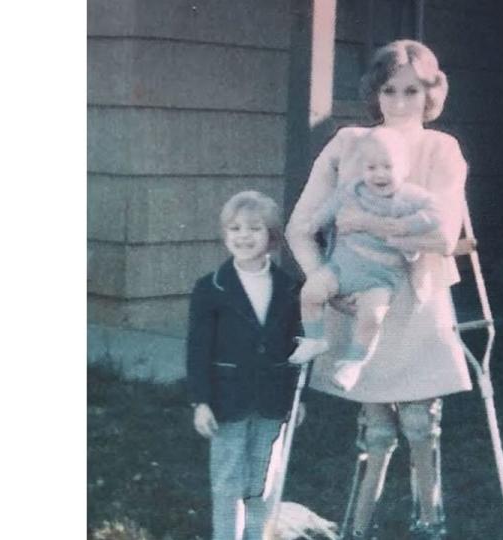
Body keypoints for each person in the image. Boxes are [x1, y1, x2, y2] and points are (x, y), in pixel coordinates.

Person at [285, 40, 472, 539]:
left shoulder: (441, 149)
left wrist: (368, 221)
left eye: (412, 90)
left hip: (418, 297)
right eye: (389, 89)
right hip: (359, 295)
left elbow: (442, 232)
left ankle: (430, 525)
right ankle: (356, 528)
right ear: (375, 91)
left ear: (430, 93)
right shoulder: (349, 143)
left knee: (420, 422)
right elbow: (300, 227)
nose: (400, 101)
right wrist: (322, 282)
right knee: (375, 428)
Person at [186, 190, 304, 540]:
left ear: (271, 237)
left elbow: (295, 345)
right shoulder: (211, 288)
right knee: (227, 482)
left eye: (254, 228)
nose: (243, 236)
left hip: (272, 401)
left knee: (263, 481)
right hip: (226, 401)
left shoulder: (288, 287)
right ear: (225, 235)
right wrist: (201, 401)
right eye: (235, 228)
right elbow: (198, 349)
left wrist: (298, 401)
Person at [288, 126, 440, 391]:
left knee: (371, 318)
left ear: (404, 169)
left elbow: (436, 213)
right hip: (342, 267)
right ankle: (314, 338)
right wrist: (315, 222)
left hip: (379, 278)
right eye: (371, 168)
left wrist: (408, 226)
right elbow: (333, 204)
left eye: (387, 167)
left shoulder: (411, 197)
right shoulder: (353, 189)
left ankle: (354, 364)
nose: (379, 174)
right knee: (310, 292)